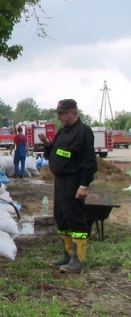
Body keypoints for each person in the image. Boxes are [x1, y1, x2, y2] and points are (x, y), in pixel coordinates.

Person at [39, 99, 97, 273]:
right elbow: (56, 154)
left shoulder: (83, 131)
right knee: (61, 217)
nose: (59, 117)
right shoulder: (63, 132)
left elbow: (88, 161)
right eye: (58, 114)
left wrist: (84, 185)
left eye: (62, 114)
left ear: (72, 112)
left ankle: (77, 260)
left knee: (75, 218)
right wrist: (48, 146)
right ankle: (67, 254)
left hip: (74, 180)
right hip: (61, 180)